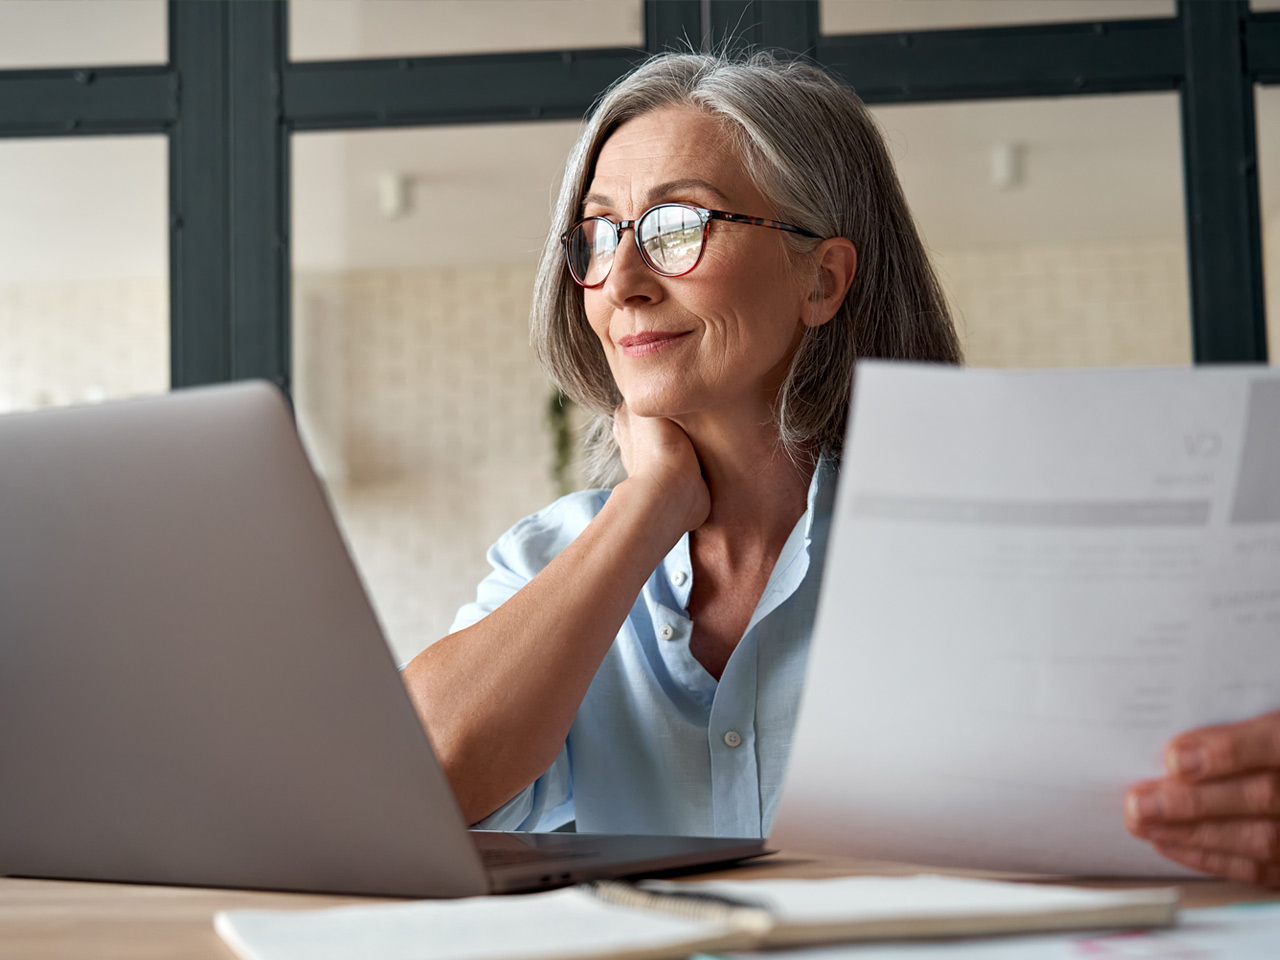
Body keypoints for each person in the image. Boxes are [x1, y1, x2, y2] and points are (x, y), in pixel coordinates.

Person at [402, 51, 1280, 888]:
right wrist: (649, 505)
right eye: (598, 234)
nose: (621, 279)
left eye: (679, 227)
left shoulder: (998, 543)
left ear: (822, 281)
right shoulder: (548, 558)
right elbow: (411, 786)